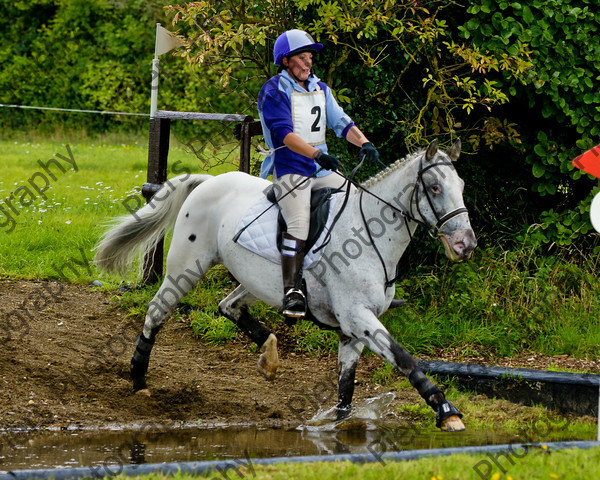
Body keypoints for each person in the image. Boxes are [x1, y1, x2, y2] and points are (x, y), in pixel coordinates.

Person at [258, 29, 380, 318]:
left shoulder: (320, 88)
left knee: (358, 201)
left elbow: (342, 124)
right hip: (291, 170)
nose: (308, 62)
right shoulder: (274, 90)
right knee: (299, 224)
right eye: (302, 57)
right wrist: (317, 154)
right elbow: (285, 135)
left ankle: (358, 282)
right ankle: (292, 292)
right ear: (286, 60)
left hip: (319, 169)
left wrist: (364, 143)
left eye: (310, 57)